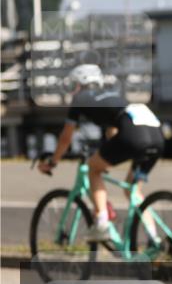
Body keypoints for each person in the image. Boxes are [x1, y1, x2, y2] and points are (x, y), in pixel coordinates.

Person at [38, 63, 165, 241]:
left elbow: (65, 138)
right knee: (133, 191)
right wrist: (106, 157)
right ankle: (155, 239)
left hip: (134, 134)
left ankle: (102, 223)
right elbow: (112, 131)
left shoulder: (80, 99)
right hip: (156, 134)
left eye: (72, 85)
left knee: (93, 169)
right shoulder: (112, 96)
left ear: (79, 84)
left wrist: (53, 161)